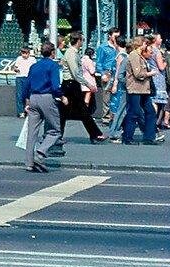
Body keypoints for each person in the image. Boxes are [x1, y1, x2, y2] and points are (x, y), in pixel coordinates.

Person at [22, 42, 65, 172]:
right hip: (47, 97)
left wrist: (26, 101)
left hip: (33, 98)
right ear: (53, 52)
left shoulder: (34, 66)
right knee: (55, 130)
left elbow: (26, 85)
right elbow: (55, 85)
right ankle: (40, 153)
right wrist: (62, 96)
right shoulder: (53, 65)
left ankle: (29, 163)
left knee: (32, 132)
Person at [58, 32, 105, 145]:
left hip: (71, 84)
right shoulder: (71, 53)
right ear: (78, 41)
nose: (82, 42)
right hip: (70, 84)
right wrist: (89, 85)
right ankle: (95, 134)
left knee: (66, 112)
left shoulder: (74, 53)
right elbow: (75, 73)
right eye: (82, 40)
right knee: (80, 110)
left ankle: (57, 135)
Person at [119, 37, 161, 145]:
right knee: (134, 113)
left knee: (150, 112)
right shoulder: (134, 55)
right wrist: (150, 73)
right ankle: (127, 137)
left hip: (143, 89)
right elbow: (138, 74)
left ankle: (149, 137)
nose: (146, 46)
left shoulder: (141, 56)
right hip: (135, 89)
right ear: (140, 44)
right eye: (145, 43)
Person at [12, 46, 35, 118]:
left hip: (29, 78)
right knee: (19, 95)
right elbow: (15, 67)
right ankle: (21, 112)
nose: (24, 55)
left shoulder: (32, 59)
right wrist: (16, 69)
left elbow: (34, 68)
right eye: (22, 53)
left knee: (29, 95)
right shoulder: (19, 58)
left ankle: (29, 110)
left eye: (25, 53)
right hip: (19, 77)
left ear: (29, 53)